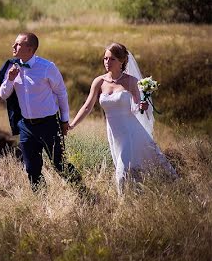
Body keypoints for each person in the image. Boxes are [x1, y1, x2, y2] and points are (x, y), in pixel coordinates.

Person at [68, 42, 175, 193]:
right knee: (131, 170)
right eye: (105, 58)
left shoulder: (131, 81)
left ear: (122, 61)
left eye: (111, 59)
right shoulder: (99, 82)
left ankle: (123, 206)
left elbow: (137, 106)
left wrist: (142, 106)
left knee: (122, 172)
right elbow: (87, 106)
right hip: (114, 134)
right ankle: (137, 199)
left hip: (130, 131)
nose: (107, 62)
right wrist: (72, 125)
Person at [0, 32, 81, 189]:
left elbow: (61, 93)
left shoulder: (47, 67)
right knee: (31, 169)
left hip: (49, 124)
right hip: (26, 126)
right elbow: (3, 95)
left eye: (18, 44)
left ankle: (83, 192)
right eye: (14, 44)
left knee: (59, 164)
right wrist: (9, 79)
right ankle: (42, 200)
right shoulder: (11, 67)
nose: (13, 46)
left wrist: (64, 120)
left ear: (30, 49)